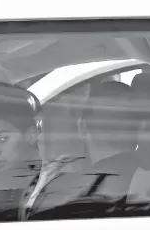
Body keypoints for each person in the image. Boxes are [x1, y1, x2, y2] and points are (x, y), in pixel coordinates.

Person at [21, 81, 142, 219]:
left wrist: (39, 189)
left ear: (82, 126)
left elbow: (31, 227)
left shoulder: (65, 189)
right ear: (140, 127)